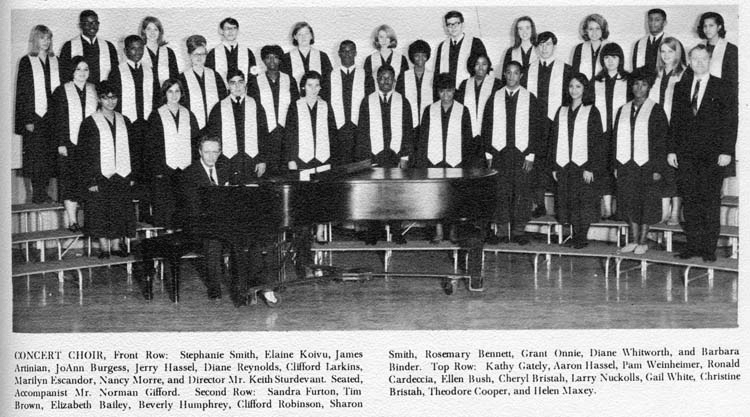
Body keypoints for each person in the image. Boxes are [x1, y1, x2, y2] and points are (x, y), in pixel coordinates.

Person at [668, 45, 735, 262]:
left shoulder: (722, 86)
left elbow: (730, 121)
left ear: (709, 60)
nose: (699, 62)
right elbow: (675, 120)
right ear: (689, 61)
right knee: (690, 201)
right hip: (686, 154)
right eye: (695, 58)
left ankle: (708, 249)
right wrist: (671, 150)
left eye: (703, 58)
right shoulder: (681, 86)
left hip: (713, 155)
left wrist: (726, 151)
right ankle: (693, 246)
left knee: (710, 201)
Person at [481, 61, 544, 245]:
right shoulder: (495, 97)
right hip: (499, 153)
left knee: (521, 192)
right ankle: (502, 231)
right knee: (501, 192)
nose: (511, 76)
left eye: (516, 73)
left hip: (522, 153)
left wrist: (531, 155)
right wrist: (489, 154)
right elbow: (487, 126)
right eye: (508, 72)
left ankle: (518, 231)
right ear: (504, 75)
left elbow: (536, 128)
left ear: (521, 76)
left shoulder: (529, 98)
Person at [77, 80, 137, 258]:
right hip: (100, 176)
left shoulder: (124, 120)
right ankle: (104, 247)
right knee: (100, 210)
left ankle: (116, 245)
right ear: (99, 99)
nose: (111, 101)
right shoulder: (89, 123)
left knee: (119, 208)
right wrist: (91, 180)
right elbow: (84, 154)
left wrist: (131, 175)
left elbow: (133, 150)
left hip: (121, 173)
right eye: (106, 97)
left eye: (114, 97)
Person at [354, 65, 414, 244]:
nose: (385, 81)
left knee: (396, 194)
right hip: (374, 155)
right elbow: (362, 131)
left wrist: (405, 157)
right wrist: (366, 158)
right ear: (377, 80)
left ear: (394, 80)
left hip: (395, 156)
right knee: (374, 194)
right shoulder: (367, 101)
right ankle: (374, 231)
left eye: (389, 78)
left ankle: (396, 231)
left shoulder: (403, 101)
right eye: (382, 77)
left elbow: (408, 131)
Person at [414, 72, 476, 242]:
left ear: (454, 91)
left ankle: (454, 231)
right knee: (436, 197)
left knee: (454, 197)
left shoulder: (463, 110)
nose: (445, 95)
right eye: (442, 91)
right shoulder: (430, 110)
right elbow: (423, 138)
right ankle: (439, 231)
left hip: (456, 161)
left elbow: (467, 140)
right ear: (437, 92)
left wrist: (467, 164)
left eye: (449, 91)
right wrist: (422, 163)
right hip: (434, 160)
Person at [613, 69, 669, 255]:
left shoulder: (656, 110)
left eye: (644, 84)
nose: (639, 88)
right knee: (629, 201)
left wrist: (658, 168)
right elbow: (615, 139)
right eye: (636, 84)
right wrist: (615, 164)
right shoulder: (623, 109)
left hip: (647, 165)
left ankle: (643, 241)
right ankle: (633, 240)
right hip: (626, 164)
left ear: (649, 87)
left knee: (646, 203)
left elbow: (661, 141)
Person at [550, 73, 604, 249]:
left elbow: (597, 142)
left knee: (584, 200)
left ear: (585, 89)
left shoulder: (592, 111)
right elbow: (554, 139)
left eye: (578, 86)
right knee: (568, 200)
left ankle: (582, 236)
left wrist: (591, 167)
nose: (574, 90)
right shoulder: (562, 110)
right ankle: (574, 234)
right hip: (565, 164)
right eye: (571, 86)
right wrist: (554, 166)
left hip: (583, 165)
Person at [284, 71, 338, 243]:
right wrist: (291, 160)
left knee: (322, 196)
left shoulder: (325, 106)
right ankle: (304, 233)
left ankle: (320, 231)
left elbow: (333, 134)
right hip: (302, 159)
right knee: (303, 198)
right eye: (309, 85)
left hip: (323, 159)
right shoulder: (296, 106)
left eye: (316, 85)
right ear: (303, 87)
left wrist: (333, 160)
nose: (313, 89)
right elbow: (290, 134)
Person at [524, 31, 572, 218]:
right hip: (535, 125)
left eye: (548, 44)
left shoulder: (566, 70)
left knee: (558, 165)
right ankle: (539, 204)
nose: (544, 48)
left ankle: (562, 208)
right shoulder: (528, 69)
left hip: (557, 124)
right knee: (536, 165)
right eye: (541, 45)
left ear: (555, 46)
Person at [144, 79, 201, 230]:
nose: (174, 95)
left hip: (185, 170)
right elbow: (151, 146)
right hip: (165, 171)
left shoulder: (188, 114)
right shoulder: (156, 115)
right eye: (170, 91)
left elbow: (195, 142)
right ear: (164, 93)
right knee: (166, 212)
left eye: (177, 91)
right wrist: (157, 170)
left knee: (185, 210)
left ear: (182, 93)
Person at [177, 136, 229, 300]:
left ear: (220, 152)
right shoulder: (189, 174)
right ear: (200, 152)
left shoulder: (224, 169)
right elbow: (193, 207)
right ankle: (214, 288)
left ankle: (247, 285)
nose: (211, 156)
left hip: (222, 220)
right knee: (213, 239)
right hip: (199, 223)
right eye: (207, 152)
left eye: (215, 152)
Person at [50, 56, 98, 232]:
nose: (82, 73)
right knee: (69, 182)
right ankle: (72, 220)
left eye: (86, 69)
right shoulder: (61, 90)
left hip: (90, 144)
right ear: (72, 71)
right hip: (69, 143)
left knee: (89, 181)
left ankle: (90, 221)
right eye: (78, 69)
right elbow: (56, 119)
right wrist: (60, 143)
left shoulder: (94, 90)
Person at [15, 25, 61, 203]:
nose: (46, 41)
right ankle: (37, 192)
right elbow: (22, 92)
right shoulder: (27, 61)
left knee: (50, 154)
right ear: (35, 40)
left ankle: (45, 191)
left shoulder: (56, 61)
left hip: (53, 115)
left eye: (48, 38)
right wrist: (27, 118)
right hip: (35, 116)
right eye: (42, 38)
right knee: (36, 155)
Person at [109, 35, 156, 206]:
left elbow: (156, 96)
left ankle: (144, 205)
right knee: (130, 163)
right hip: (127, 124)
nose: (137, 52)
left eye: (140, 48)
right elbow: (113, 100)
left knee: (146, 164)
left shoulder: (149, 69)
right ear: (125, 50)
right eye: (133, 48)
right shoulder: (117, 71)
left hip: (147, 123)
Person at [206, 69, 270, 185]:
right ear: (228, 85)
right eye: (233, 83)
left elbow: (263, 134)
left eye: (240, 82)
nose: (237, 86)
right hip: (227, 162)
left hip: (251, 161)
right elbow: (213, 137)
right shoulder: (218, 108)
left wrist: (262, 160)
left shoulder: (256, 106)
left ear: (245, 83)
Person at [650, 37, 686, 225]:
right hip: (657, 128)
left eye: (670, 51)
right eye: (663, 51)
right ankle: (664, 211)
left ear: (677, 53)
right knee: (662, 169)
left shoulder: (684, 73)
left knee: (675, 171)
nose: (666, 55)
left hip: (676, 127)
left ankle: (675, 212)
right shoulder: (656, 74)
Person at [247, 45, 299, 174]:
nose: (271, 61)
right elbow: (252, 111)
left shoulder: (289, 80)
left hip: (286, 133)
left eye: (275, 57)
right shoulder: (255, 81)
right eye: (268, 57)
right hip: (265, 134)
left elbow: (296, 107)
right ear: (263, 60)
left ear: (280, 60)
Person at [593, 42, 631, 220]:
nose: (610, 61)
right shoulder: (596, 81)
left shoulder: (628, 80)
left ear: (620, 59)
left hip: (622, 133)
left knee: (621, 170)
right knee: (603, 170)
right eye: (607, 57)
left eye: (614, 57)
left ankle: (622, 209)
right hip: (602, 133)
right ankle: (607, 208)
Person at [178, 35, 227, 132]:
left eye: (202, 54)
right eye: (196, 54)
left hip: (215, 128)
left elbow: (224, 101)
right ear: (189, 55)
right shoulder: (181, 79)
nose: (199, 57)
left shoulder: (215, 76)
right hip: (192, 129)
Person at [329, 40, 366, 165]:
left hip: (359, 128)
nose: (347, 54)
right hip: (338, 129)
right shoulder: (330, 75)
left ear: (355, 53)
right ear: (339, 53)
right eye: (344, 51)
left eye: (350, 51)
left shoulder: (365, 75)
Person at [59, 9, 118, 84]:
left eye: (95, 23)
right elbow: (64, 74)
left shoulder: (109, 46)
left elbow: (115, 74)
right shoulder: (69, 46)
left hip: (103, 89)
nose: (92, 26)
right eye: (87, 23)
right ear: (80, 25)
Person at [433, 10, 488, 89]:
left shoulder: (475, 43)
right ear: (446, 27)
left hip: (469, 89)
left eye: (456, 23)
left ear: (462, 24)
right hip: (448, 91)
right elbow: (437, 74)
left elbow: (484, 69)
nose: (453, 27)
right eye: (449, 24)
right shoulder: (442, 46)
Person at [280, 22, 333, 100]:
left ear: (311, 36)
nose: (303, 37)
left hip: (319, 101)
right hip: (295, 101)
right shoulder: (286, 58)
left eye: (306, 34)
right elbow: (284, 82)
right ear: (295, 37)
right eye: (300, 34)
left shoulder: (322, 56)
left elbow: (328, 82)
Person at [456, 53, 501, 145]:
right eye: (477, 64)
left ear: (488, 66)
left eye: (484, 64)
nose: (481, 68)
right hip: (468, 132)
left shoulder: (497, 84)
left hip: (490, 132)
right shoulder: (465, 84)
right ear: (472, 65)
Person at [396, 40, 435, 137]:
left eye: (423, 55)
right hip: (408, 124)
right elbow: (399, 100)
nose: (420, 58)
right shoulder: (404, 76)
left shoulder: (433, 76)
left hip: (429, 124)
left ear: (427, 57)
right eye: (417, 55)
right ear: (412, 57)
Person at [206, 17, 258, 86]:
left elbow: (253, 77)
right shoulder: (213, 53)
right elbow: (209, 78)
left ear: (238, 31)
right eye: (227, 28)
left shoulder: (248, 52)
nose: (230, 31)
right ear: (221, 31)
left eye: (234, 28)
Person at [698, 11, 738, 94]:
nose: (707, 29)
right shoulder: (699, 48)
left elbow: (733, 79)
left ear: (719, 27)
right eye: (705, 26)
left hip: (722, 93)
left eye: (711, 25)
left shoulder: (731, 49)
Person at [364, 24, 409, 95]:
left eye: (387, 37)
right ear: (377, 39)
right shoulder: (370, 59)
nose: (384, 40)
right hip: (375, 98)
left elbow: (405, 85)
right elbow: (367, 85)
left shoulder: (401, 59)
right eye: (381, 37)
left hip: (396, 98)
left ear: (391, 38)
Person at [139, 16, 180, 87]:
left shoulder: (169, 52)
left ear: (160, 32)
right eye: (149, 29)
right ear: (144, 31)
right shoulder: (138, 52)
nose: (152, 32)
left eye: (155, 29)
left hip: (165, 92)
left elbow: (175, 77)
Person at [570, 13, 609, 83]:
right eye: (591, 29)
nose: (594, 32)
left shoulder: (610, 47)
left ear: (602, 30)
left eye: (597, 28)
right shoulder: (579, 48)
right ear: (586, 31)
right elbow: (575, 74)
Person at [502, 16, 538, 83]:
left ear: (532, 29)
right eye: (520, 29)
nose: (524, 32)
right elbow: (504, 77)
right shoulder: (510, 51)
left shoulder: (540, 50)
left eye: (527, 28)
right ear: (517, 31)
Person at [631, 8, 669, 73]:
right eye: (650, 20)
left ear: (664, 23)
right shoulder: (639, 43)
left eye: (657, 20)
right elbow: (635, 69)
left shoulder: (672, 43)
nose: (652, 23)